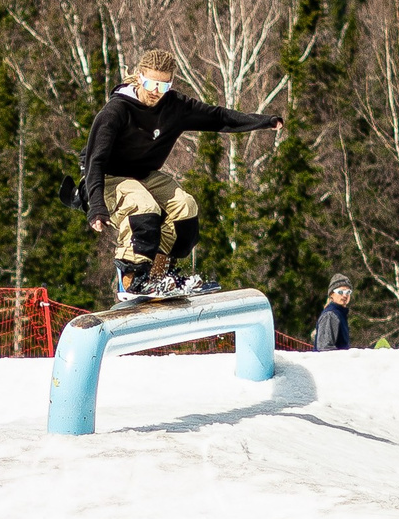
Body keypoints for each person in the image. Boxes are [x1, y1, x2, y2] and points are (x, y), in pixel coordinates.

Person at [72, 49, 282, 302]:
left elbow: (217, 117)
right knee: (144, 206)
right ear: (139, 78)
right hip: (106, 177)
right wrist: (96, 207)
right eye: (150, 83)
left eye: (163, 85)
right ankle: (131, 278)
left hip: (144, 175)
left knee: (185, 206)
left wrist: (263, 121)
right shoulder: (115, 112)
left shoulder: (175, 107)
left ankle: (159, 273)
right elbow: (95, 161)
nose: (155, 91)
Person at [313, 276, 354, 351]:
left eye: (348, 292)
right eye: (340, 292)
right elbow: (324, 348)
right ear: (331, 294)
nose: (345, 295)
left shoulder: (340, 314)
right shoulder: (330, 315)